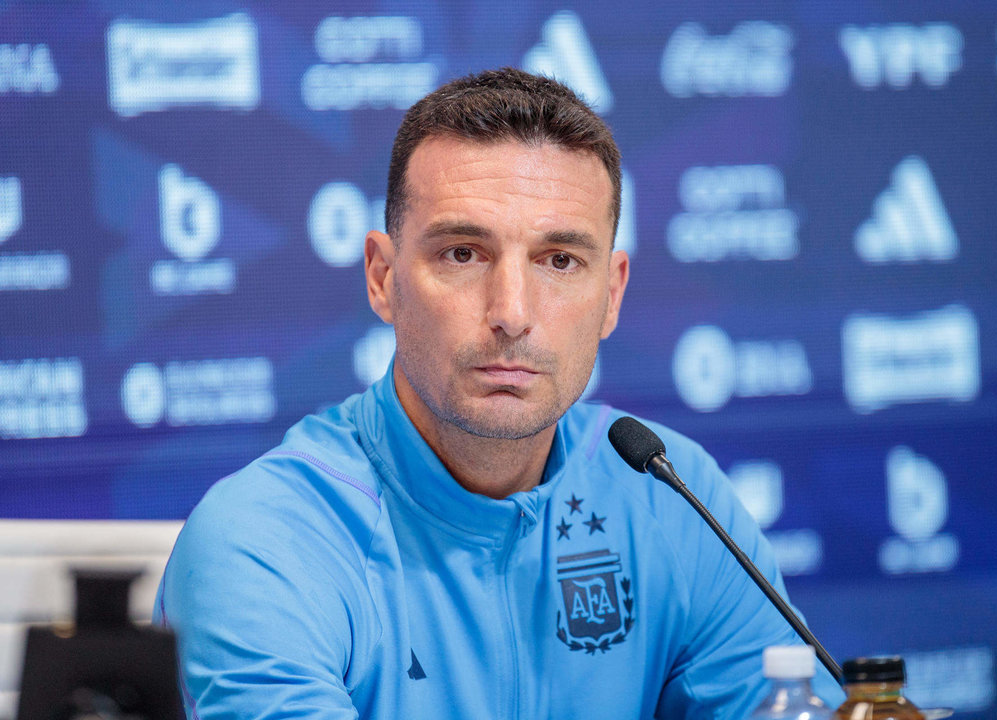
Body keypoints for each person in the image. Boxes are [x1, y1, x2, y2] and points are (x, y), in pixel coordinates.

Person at [155, 67, 842, 719]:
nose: (511, 311)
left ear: (612, 294)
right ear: (382, 277)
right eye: (463, 253)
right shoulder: (264, 541)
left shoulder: (671, 496)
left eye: (560, 261)